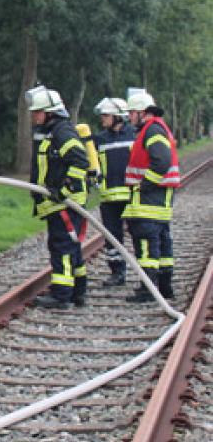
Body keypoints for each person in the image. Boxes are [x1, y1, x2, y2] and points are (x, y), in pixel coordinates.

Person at [27, 86, 90, 309]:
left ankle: (62, 295)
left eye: (38, 112)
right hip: (61, 203)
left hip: (65, 203)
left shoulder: (62, 132)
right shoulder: (51, 132)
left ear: (50, 113)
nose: (34, 116)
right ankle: (78, 292)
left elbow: (80, 161)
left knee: (61, 246)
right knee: (71, 247)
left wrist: (63, 191)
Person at [122, 89, 180, 302]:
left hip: (150, 197)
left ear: (142, 113)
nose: (129, 118)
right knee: (162, 240)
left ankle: (148, 289)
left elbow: (161, 161)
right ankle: (164, 287)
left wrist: (146, 184)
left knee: (146, 240)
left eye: (131, 113)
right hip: (158, 197)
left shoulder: (152, 131)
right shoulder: (154, 129)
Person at [92, 97, 135, 286]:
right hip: (109, 198)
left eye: (106, 115)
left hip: (132, 196)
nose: (103, 119)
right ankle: (117, 273)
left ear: (118, 117)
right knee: (112, 237)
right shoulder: (100, 139)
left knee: (139, 235)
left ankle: (148, 275)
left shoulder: (135, 135)